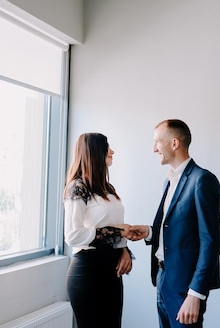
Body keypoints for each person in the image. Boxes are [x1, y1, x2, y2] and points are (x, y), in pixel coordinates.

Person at [129, 119, 220, 328]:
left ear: (174, 143)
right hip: (163, 280)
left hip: (185, 288)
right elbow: (178, 229)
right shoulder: (168, 181)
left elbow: (211, 242)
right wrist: (150, 233)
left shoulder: (202, 180)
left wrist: (196, 294)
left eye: (157, 142)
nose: (154, 149)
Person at [63, 132, 133, 328]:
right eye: (107, 147)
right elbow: (72, 235)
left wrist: (124, 249)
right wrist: (119, 232)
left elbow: (115, 222)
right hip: (87, 272)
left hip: (111, 271)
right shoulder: (76, 188)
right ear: (94, 152)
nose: (112, 151)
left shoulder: (107, 188)